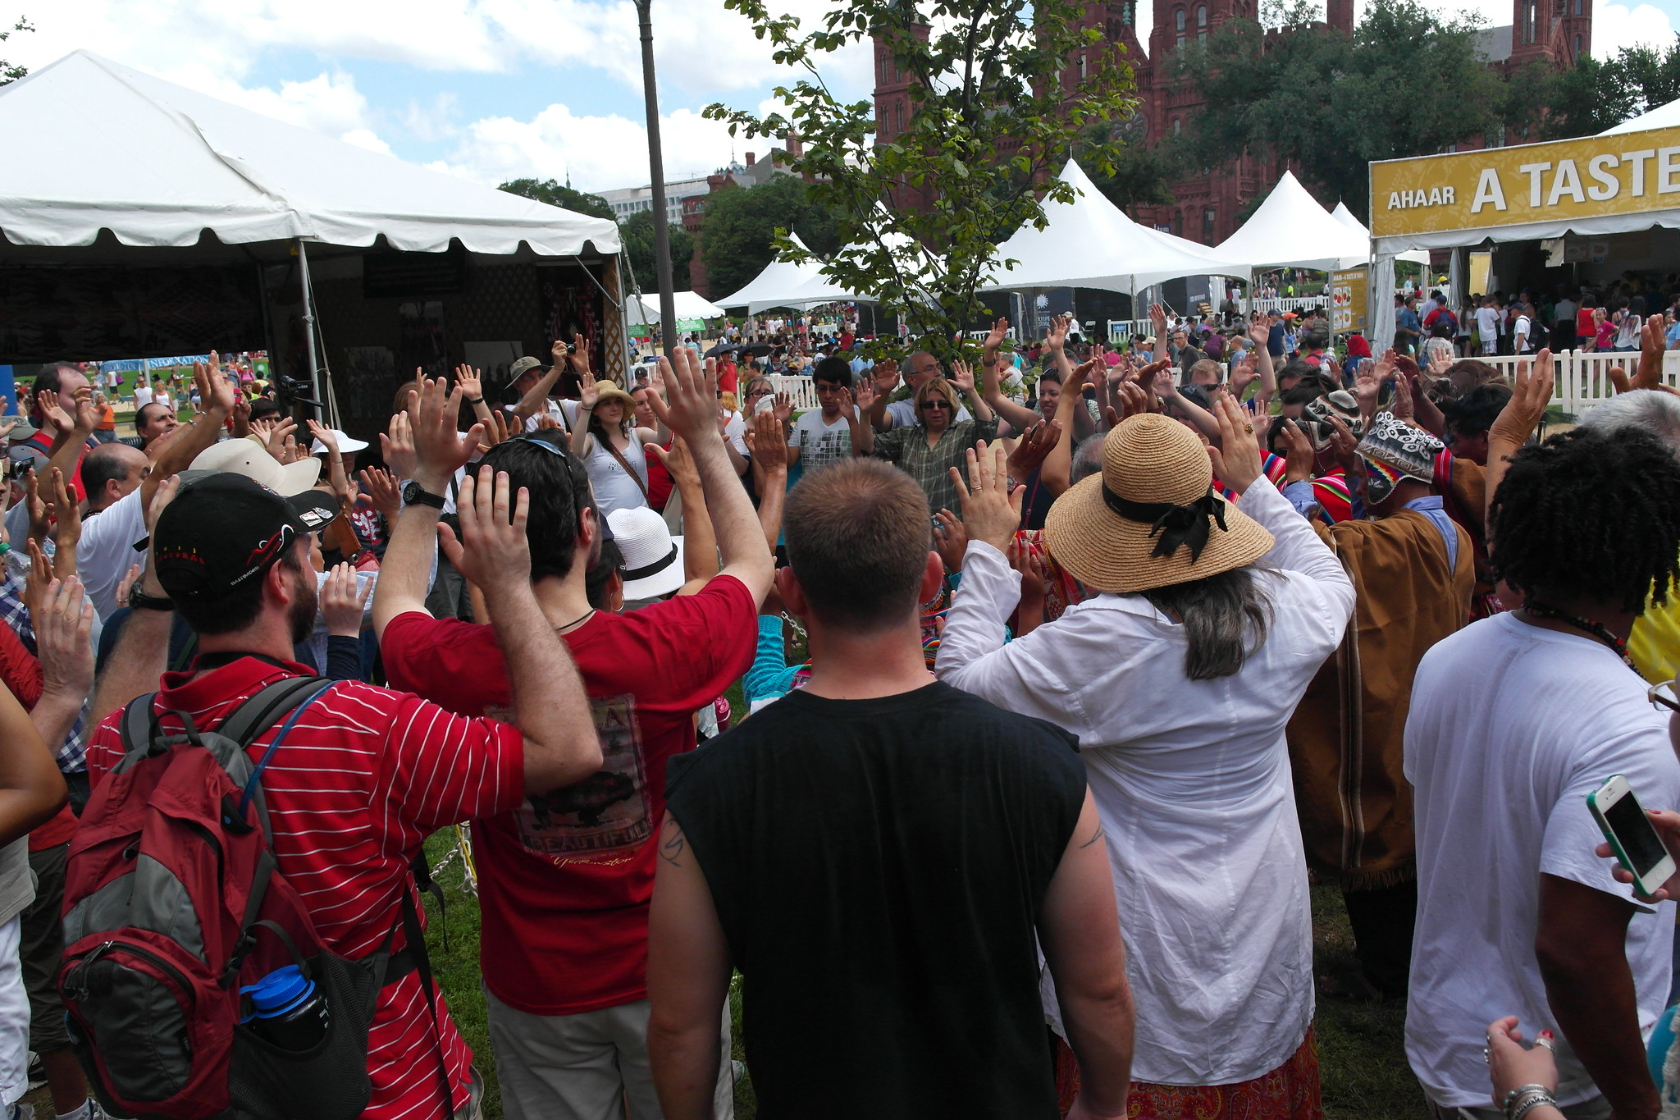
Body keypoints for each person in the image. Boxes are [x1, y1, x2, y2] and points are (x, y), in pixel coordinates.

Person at [87, 420, 604, 1120]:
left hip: (213, 1081)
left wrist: (157, 592)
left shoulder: (127, 740)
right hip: (385, 1084)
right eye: (305, 553)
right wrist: (506, 584)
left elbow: (107, 729)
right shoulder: (362, 728)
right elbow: (569, 749)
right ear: (281, 580)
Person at [649, 456, 1134, 1120]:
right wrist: (1104, 1107)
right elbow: (1099, 987)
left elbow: (680, 1025)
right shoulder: (1040, 764)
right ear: (932, 580)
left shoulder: (712, 787)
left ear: (791, 592)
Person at [378, 353, 772, 1120]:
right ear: (590, 531)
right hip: (669, 965)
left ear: (481, 544)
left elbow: (395, 603)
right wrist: (704, 440)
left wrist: (425, 484)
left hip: (536, 981)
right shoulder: (663, 645)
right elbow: (752, 561)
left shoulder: (459, 666)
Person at [938, 401, 1355, 1113]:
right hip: (1263, 920)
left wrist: (984, 555)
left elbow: (958, 690)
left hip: (1144, 940)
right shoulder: (1289, 609)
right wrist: (1256, 486)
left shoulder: (1103, 641)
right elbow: (1333, 580)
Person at [1404, 422, 1680, 1120]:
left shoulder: (1449, 656)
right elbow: (1575, 950)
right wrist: (1639, 1101)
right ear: (1649, 560)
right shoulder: (1631, 726)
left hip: (1453, 1037)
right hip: (1559, 1076)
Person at [1286, 412, 1474, 1001]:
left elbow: (1311, 552)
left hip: (1387, 708)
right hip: (1424, 702)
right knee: (1415, 829)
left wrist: (1298, 481)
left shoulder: (1397, 542)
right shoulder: (1448, 530)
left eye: (1364, 471)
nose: (1356, 481)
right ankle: (1402, 962)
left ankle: (1385, 974)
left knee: (1375, 822)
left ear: (1387, 477)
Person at [870, 368, 997, 522]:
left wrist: (971, 391)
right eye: (929, 405)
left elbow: (987, 426)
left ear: (951, 406)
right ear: (920, 408)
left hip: (955, 525)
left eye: (942, 404)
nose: (936, 409)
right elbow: (870, 447)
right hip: (913, 525)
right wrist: (864, 414)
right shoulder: (905, 436)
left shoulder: (964, 432)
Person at [569, 367, 660, 520]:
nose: (614, 407)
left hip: (641, 521)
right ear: (596, 411)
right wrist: (586, 408)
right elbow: (576, 450)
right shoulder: (591, 440)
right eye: (607, 403)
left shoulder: (637, 434)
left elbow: (662, 438)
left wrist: (659, 400)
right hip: (606, 525)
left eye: (618, 402)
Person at [785, 357, 869, 476]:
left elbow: (863, 465)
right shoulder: (804, 421)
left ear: (847, 388)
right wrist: (782, 423)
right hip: (812, 488)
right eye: (822, 388)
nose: (828, 395)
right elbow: (787, 464)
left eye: (834, 389)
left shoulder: (861, 417)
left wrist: (852, 421)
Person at [866, 352, 972, 431]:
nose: (939, 373)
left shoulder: (956, 406)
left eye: (938, 367)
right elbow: (877, 421)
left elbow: (978, 433)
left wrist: (970, 391)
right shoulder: (900, 410)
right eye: (930, 369)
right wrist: (884, 392)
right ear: (912, 379)